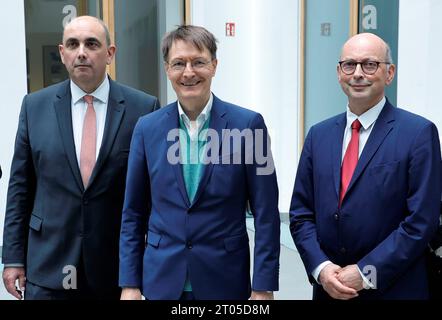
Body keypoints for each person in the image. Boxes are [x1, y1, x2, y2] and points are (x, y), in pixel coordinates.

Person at [2, 16, 159, 300]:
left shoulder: (143, 109)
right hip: (48, 268)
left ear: (110, 53)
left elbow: (151, 193)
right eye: (73, 44)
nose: (82, 52)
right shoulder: (34, 107)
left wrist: (145, 266)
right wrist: (13, 258)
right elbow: (20, 189)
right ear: (63, 54)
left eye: (92, 43)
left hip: (114, 272)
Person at [119, 25, 280, 300]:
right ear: (167, 69)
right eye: (179, 63)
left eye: (199, 62)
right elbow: (133, 213)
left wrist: (263, 287)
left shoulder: (249, 125)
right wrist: (130, 284)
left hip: (225, 281)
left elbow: (266, 214)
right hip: (162, 281)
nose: (189, 72)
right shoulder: (146, 128)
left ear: (214, 66)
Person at [289, 33, 441, 300]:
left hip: (394, 288)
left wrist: (365, 273)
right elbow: (301, 214)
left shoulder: (418, 133)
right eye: (349, 65)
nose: (358, 73)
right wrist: (322, 269)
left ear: (389, 73)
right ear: (339, 73)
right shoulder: (318, 135)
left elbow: (421, 222)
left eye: (370, 64)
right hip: (329, 289)